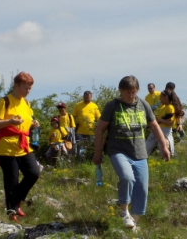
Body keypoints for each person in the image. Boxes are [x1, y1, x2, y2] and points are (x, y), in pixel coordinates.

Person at [93, 75, 171, 230]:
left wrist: (164, 146)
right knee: (127, 177)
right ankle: (124, 212)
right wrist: (97, 153)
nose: (131, 95)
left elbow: (155, 126)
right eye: (127, 92)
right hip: (118, 150)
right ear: (121, 91)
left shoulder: (143, 105)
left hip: (140, 153)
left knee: (142, 187)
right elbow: (100, 129)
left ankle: (134, 223)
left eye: (134, 92)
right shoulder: (113, 106)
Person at [0, 72, 41, 221]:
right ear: (16, 86)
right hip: (6, 147)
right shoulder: (4, 102)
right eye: (25, 88)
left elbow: (27, 119)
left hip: (23, 145)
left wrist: (33, 124)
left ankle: (16, 200)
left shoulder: (26, 103)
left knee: (33, 173)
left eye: (30, 88)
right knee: (11, 180)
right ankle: (12, 213)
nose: (28, 91)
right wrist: (9, 121)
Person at [146, 89, 177, 156]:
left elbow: (171, 122)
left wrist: (160, 120)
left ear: (166, 97)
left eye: (161, 97)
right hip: (157, 129)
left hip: (165, 131)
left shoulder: (170, 107)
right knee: (146, 148)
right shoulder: (163, 107)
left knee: (165, 150)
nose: (160, 99)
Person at [73, 90, 102, 159]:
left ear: (91, 97)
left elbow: (99, 118)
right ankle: (80, 162)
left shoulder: (94, 106)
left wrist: (98, 127)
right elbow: (73, 116)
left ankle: (89, 161)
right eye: (86, 97)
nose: (87, 99)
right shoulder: (78, 105)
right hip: (80, 131)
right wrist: (74, 125)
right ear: (83, 97)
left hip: (91, 131)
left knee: (91, 147)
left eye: (89, 98)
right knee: (80, 148)